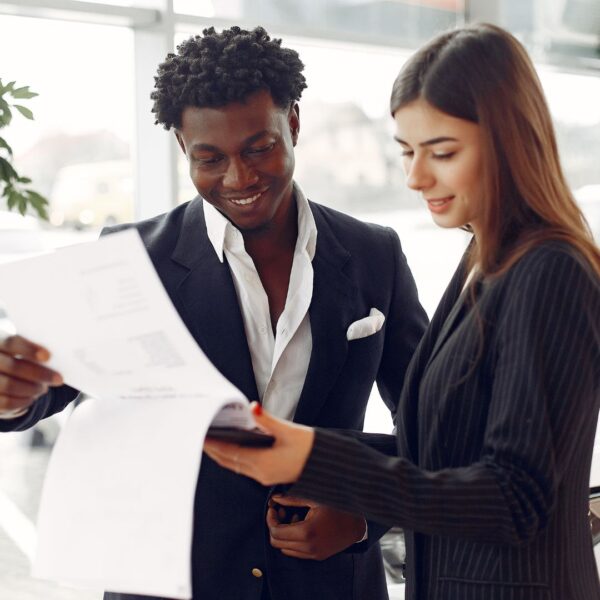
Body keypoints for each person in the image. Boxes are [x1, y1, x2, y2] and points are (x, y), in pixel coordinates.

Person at [0, 26, 428, 600]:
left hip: (329, 581)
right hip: (174, 584)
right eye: (210, 158)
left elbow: (432, 425)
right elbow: (46, 392)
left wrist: (363, 517)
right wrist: (14, 390)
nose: (239, 178)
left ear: (293, 123)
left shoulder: (376, 253)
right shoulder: (132, 259)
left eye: (259, 148)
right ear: (182, 148)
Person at [205, 22, 600, 600]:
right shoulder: (486, 258)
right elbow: (446, 451)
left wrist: (319, 457)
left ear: (511, 141)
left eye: (442, 152)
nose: (416, 177)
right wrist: (299, 452)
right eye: (408, 152)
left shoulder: (550, 269)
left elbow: (517, 500)